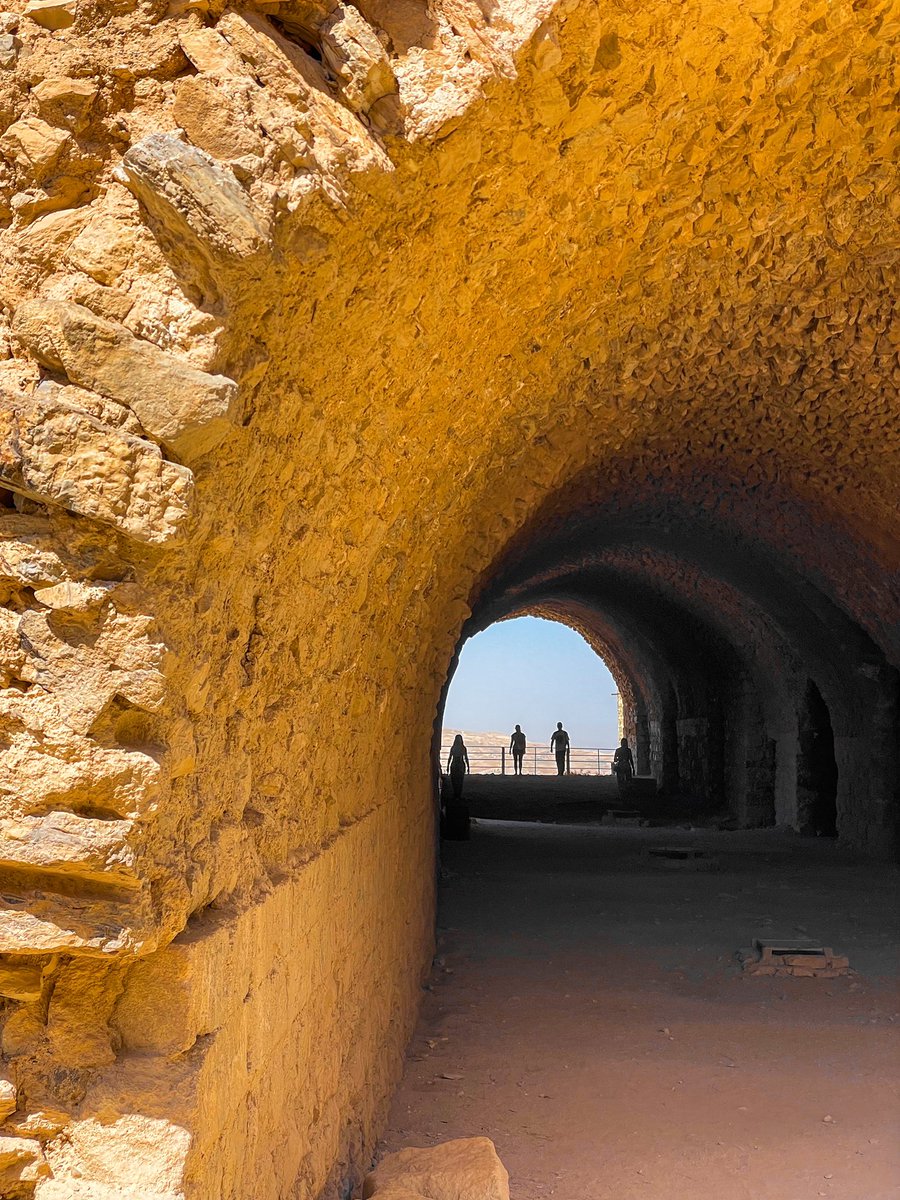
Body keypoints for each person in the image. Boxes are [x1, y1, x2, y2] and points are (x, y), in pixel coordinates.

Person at [446, 734, 470, 801]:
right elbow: (466, 758)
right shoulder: (463, 748)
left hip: (455, 765)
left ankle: (456, 795)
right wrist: (468, 766)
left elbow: (450, 757)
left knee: (456, 781)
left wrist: (448, 766)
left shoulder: (453, 748)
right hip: (460, 765)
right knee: (459, 781)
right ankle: (458, 795)